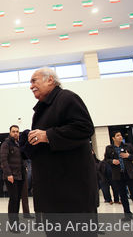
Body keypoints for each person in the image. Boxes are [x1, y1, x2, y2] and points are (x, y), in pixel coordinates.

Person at [27, 68, 98, 214]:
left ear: (50, 80)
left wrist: (48, 135)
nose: (31, 86)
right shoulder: (42, 109)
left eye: (34, 80)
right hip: (52, 192)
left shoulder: (67, 98)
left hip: (71, 193)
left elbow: (85, 128)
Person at [104, 131, 133, 219]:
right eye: (117, 136)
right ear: (113, 138)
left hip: (129, 174)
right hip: (118, 175)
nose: (120, 137)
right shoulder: (109, 148)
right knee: (123, 195)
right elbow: (106, 160)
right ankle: (128, 215)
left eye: (120, 135)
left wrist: (128, 155)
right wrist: (112, 161)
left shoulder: (128, 146)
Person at [0, 125, 26, 229]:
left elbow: (22, 158)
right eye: (13, 131)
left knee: (17, 200)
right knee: (13, 199)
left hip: (20, 176)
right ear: (10, 132)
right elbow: (3, 160)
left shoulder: (19, 144)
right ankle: (12, 225)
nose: (15, 133)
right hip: (11, 177)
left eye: (17, 131)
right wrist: (8, 174)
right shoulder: (6, 144)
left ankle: (17, 223)